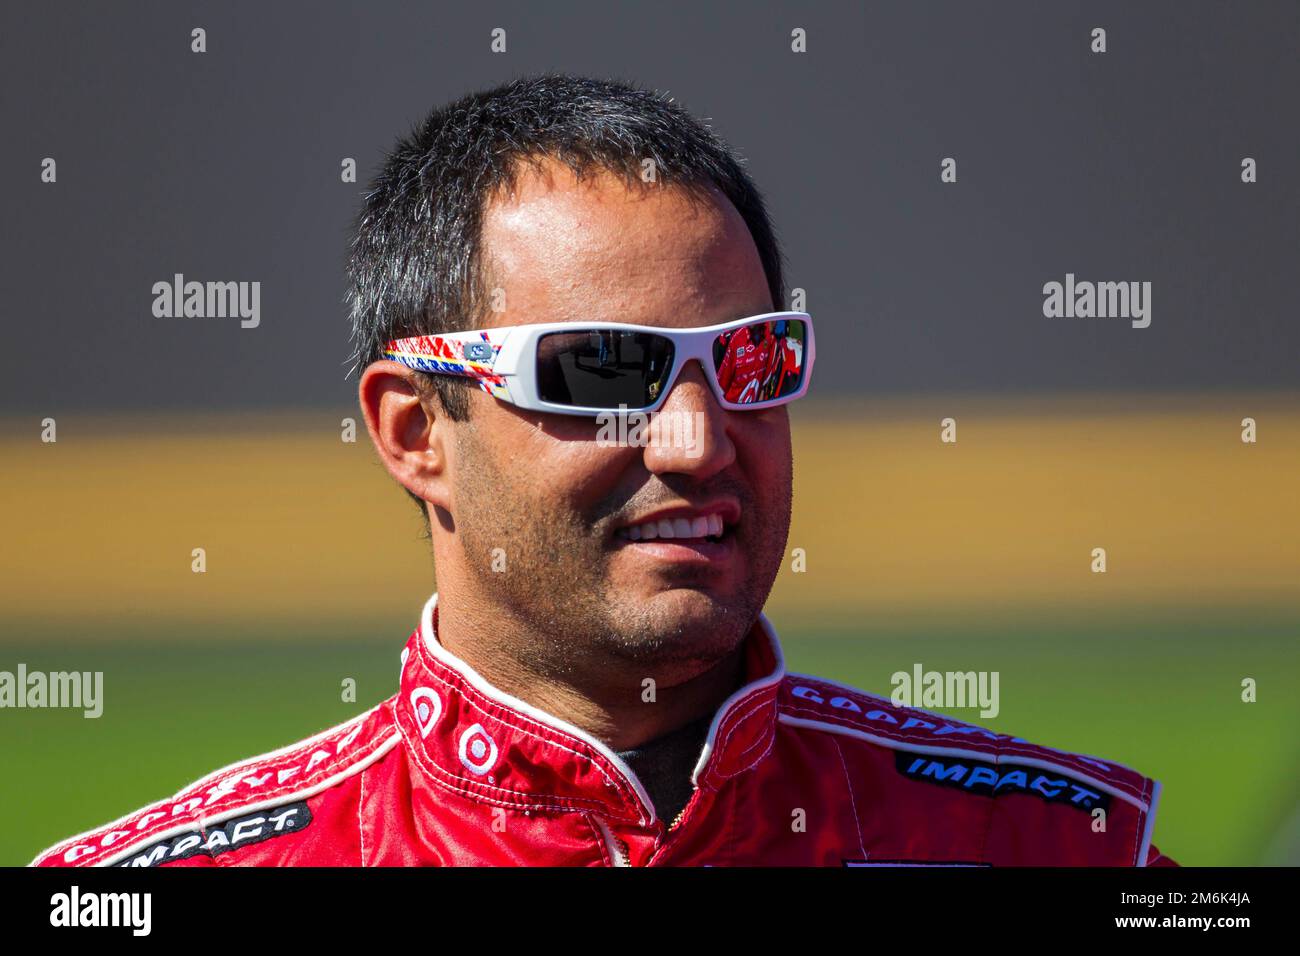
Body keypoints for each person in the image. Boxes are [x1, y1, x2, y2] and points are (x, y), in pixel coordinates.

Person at [32, 74, 1174, 867]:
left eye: (748, 359)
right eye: (598, 371)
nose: (696, 439)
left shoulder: (1065, 845)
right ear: (413, 430)